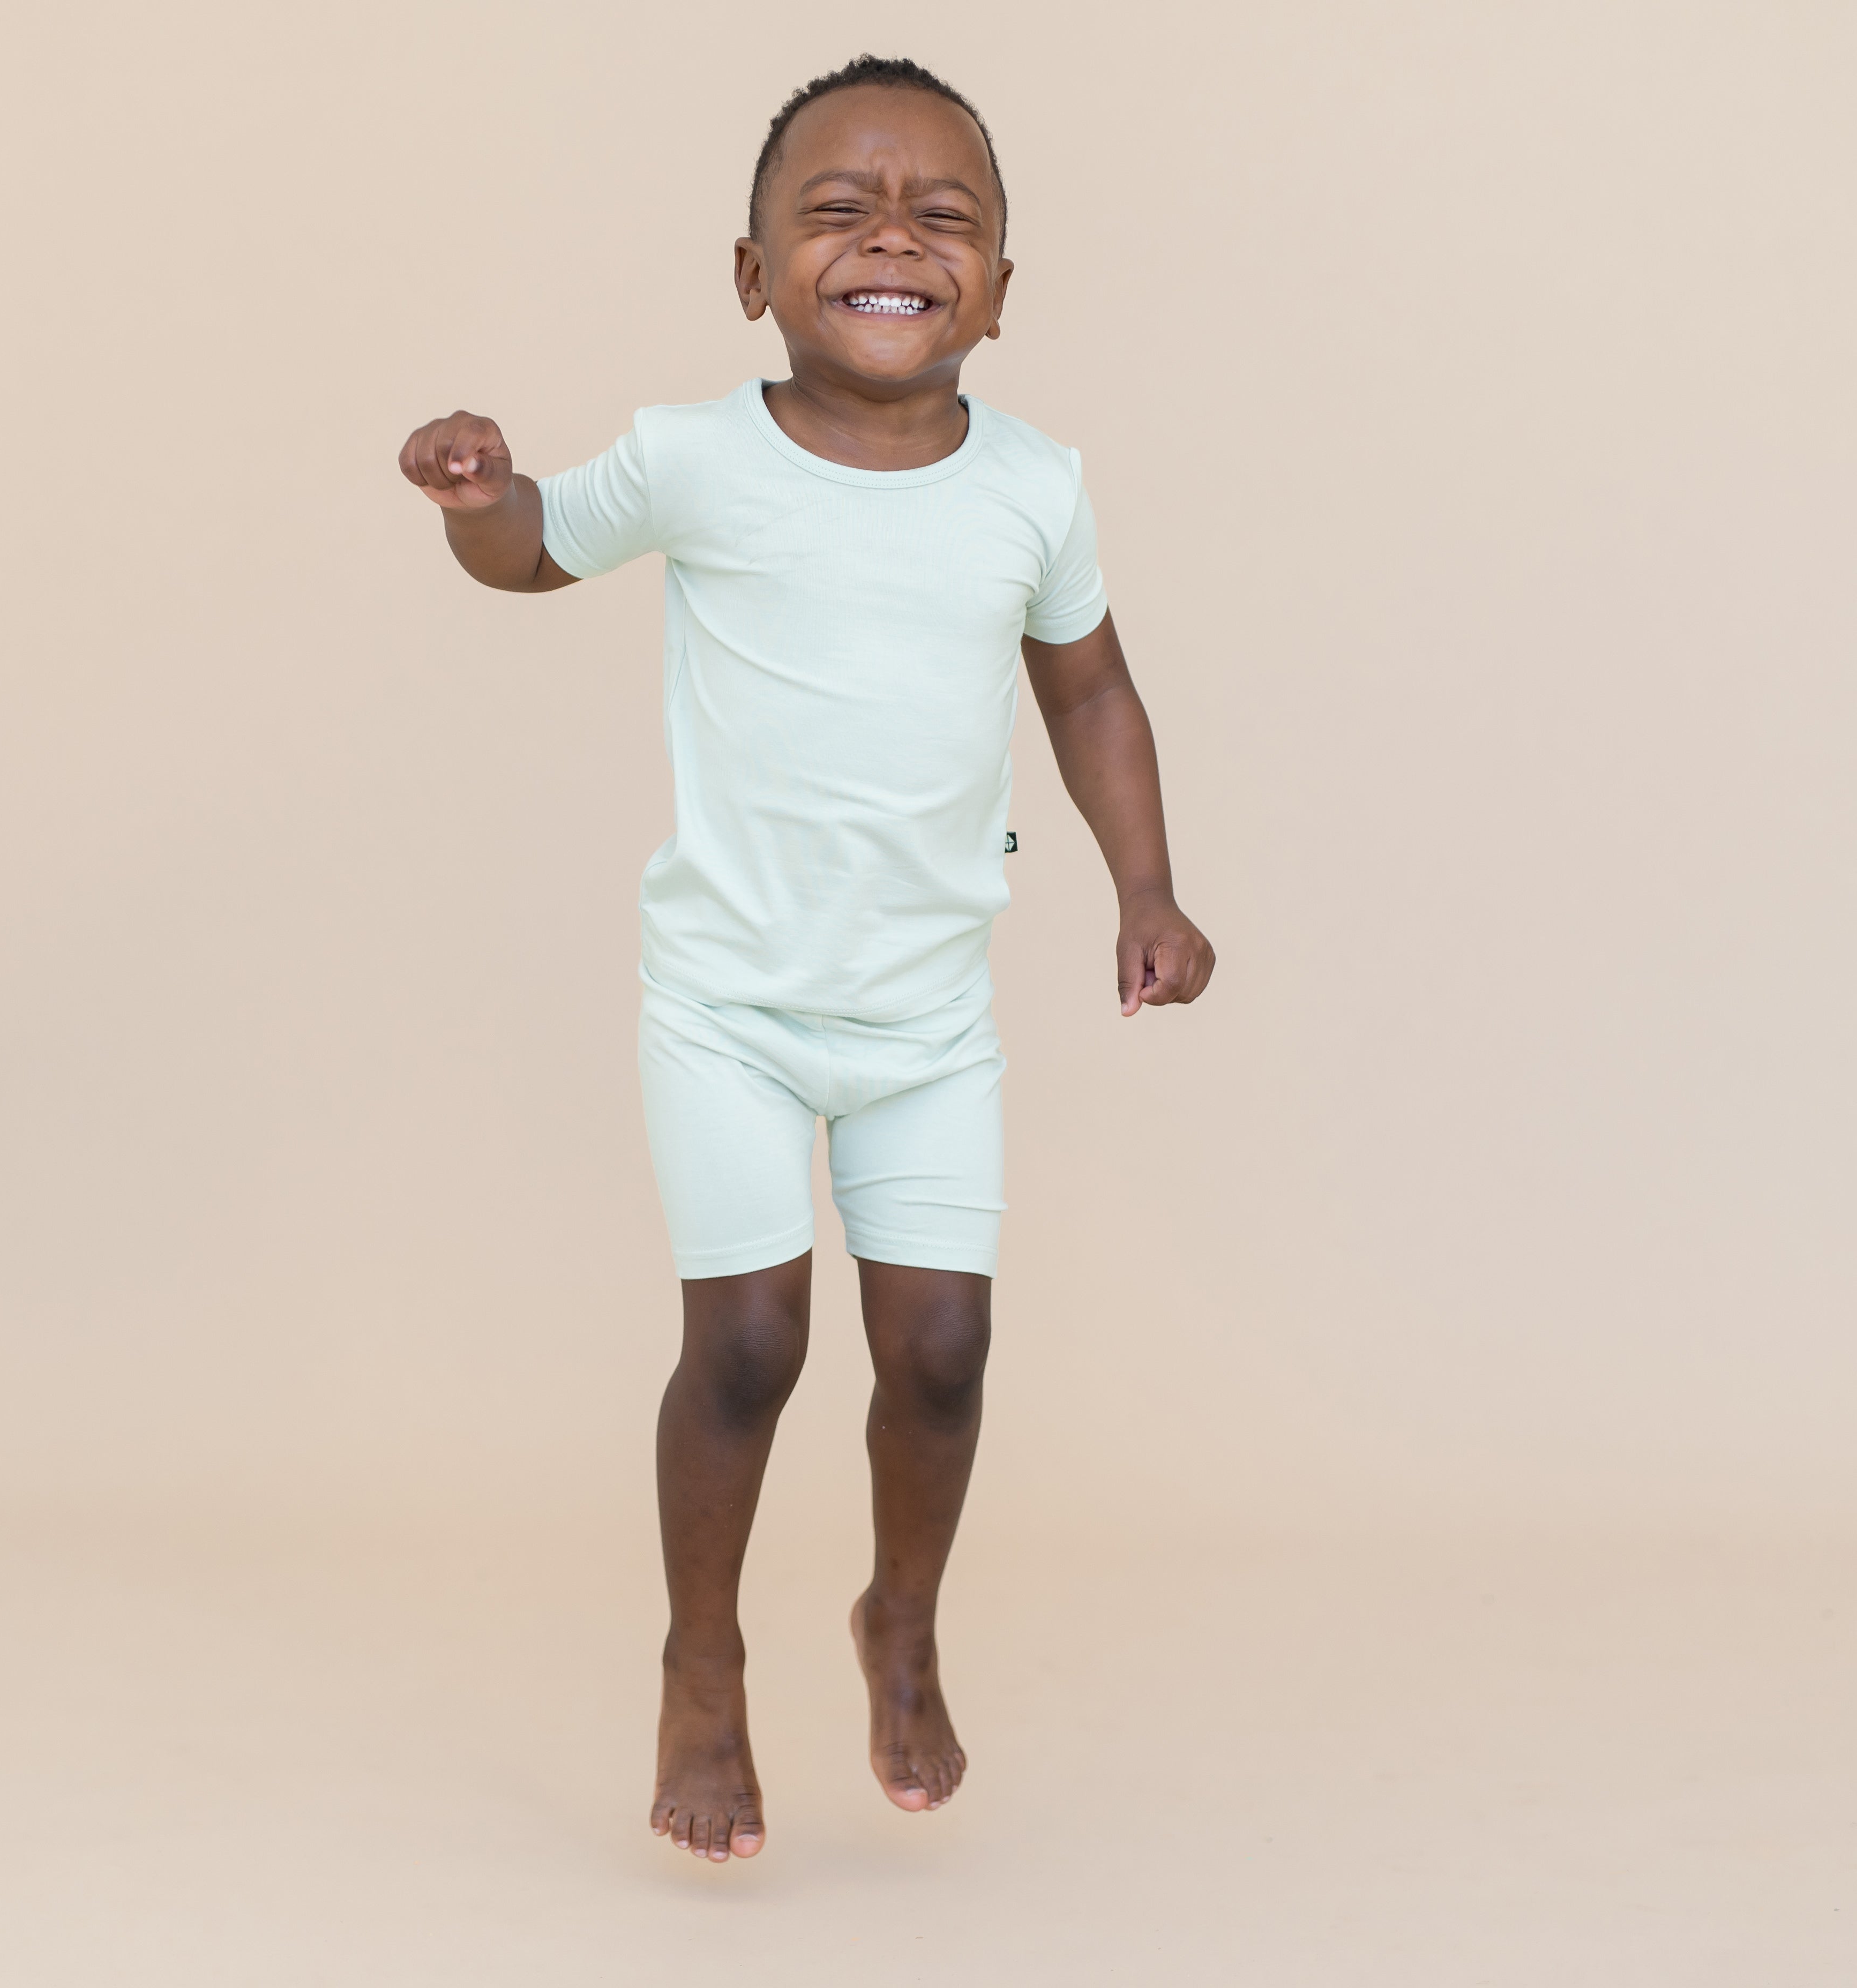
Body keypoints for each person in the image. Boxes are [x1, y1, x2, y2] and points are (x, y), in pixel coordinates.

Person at [398, 54, 1215, 1865]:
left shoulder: (1034, 486)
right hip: (730, 1009)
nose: (892, 237)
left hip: (927, 1017)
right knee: (753, 1342)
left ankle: (899, 1624)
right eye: (836, 208)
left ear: (1002, 284)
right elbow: (540, 556)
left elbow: (1087, 685)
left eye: (945, 214)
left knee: (939, 1348)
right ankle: (703, 1657)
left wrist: (1144, 888)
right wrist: (479, 498)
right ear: (754, 273)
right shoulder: (696, 457)